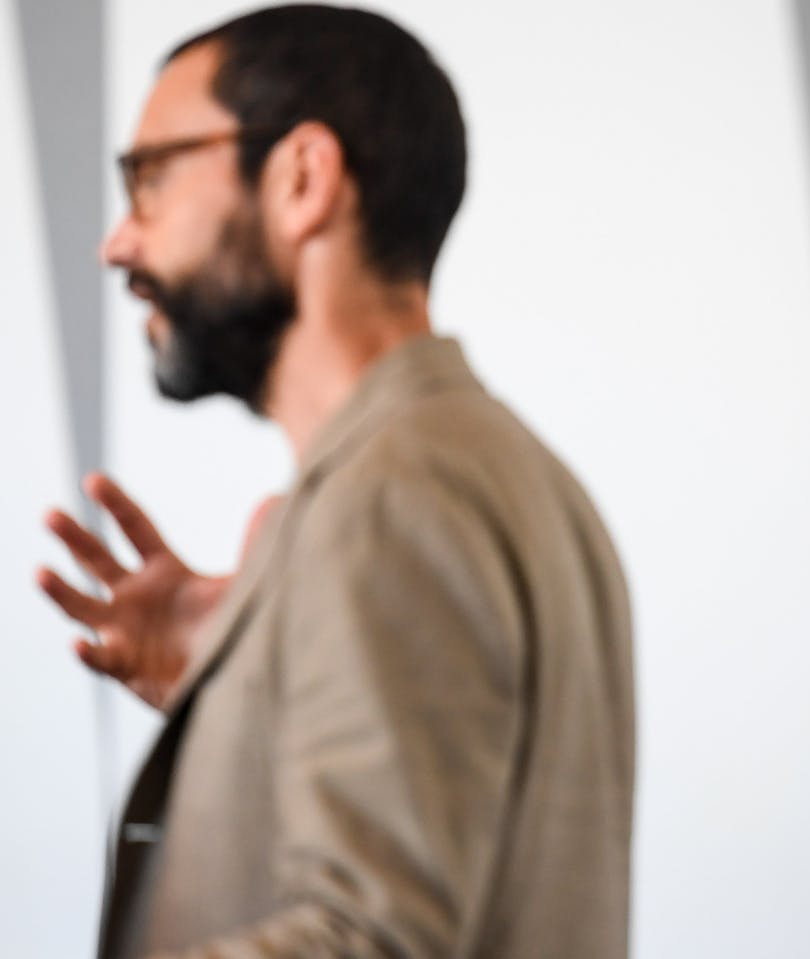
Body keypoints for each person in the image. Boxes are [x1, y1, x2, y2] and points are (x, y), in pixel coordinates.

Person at [35, 6, 634, 957]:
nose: (118, 243)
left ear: (302, 179)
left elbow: (370, 935)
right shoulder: (491, 469)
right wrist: (240, 690)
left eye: (148, 179)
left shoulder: (399, 492)